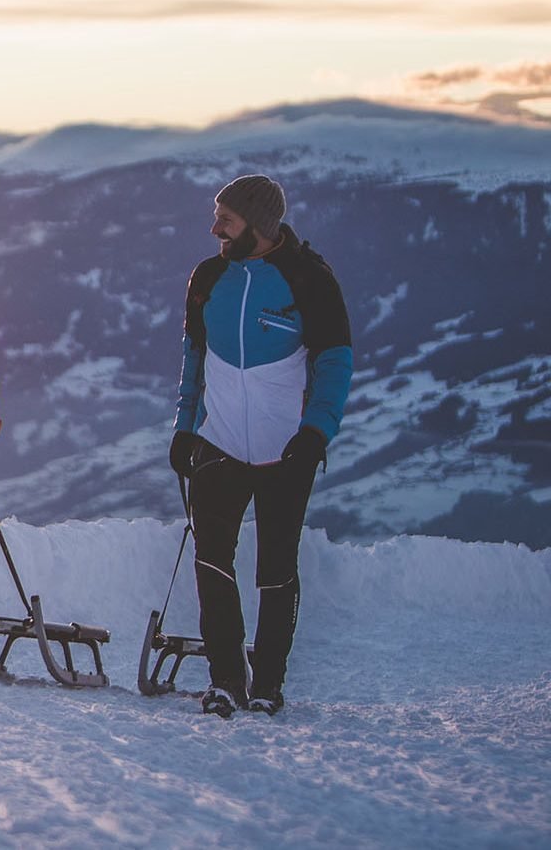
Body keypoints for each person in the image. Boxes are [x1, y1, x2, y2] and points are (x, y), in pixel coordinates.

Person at [170, 174, 352, 718]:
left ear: (260, 224)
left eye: (226, 218)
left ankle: (268, 683)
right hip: (218, 443)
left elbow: (335, 362)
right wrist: (184, 428)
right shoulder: (208, 277)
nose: (214, 228)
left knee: (275, 569)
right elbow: (193, 358)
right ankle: (226, 679)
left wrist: (316, 432)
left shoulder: (308, 278)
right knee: (213, 562)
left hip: (286, 451)